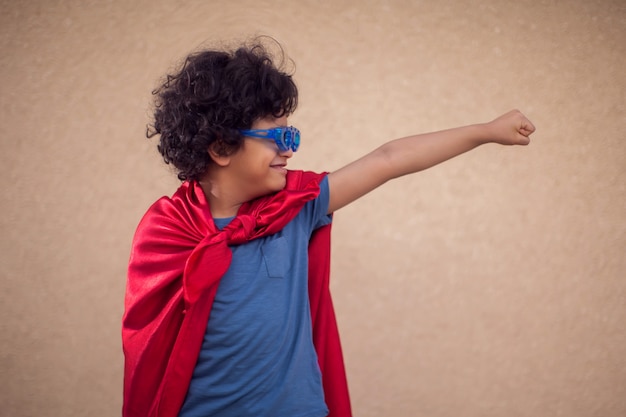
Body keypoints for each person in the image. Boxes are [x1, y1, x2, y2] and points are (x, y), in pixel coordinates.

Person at [122, 38, 535, 417]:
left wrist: (486, 131)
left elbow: (389, 159)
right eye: (277, 136)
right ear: (220, 147)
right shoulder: (169, 231)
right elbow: (151, 348)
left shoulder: (297, 206)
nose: (289, 149)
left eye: (292, 135)